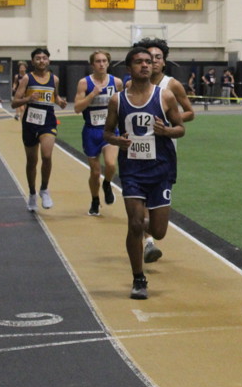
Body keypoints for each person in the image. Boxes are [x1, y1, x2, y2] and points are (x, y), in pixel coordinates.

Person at [103, 47, 185, 300]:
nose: (145, 65)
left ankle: (146, 228)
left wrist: (167, 132)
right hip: (133, 171)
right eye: (139, 62)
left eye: (148, 61)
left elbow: (181, 128)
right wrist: (117, 141)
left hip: (161, 170)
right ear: (129, 68)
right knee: (135, 223)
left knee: (158, 231)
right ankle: (138, 278)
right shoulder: (117, 100)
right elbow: (107, 132)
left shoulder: (165, 96)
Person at [131, 37, 196, 263]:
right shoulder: (131, 85)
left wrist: (169, 122)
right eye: (150, 57)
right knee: (140, 197)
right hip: (138, 149)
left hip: (164, 149)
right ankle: (148, 242)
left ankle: (143, 229)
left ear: (164, 62)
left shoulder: (172, 85)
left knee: (155, 206)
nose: (154, 61)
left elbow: (190, 112)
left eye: (158, 57)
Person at [11, 47, 68, 212]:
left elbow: (55, 96)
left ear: (48, 60)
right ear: (33, 61)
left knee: (47, 155)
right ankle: (32, 193)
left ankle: (44, 189)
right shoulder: (27, 79)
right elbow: (14, 103)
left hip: (48, 122)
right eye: (38, 58)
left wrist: (60, 102)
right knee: (32, 161)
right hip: (30, 122)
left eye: (44, 58)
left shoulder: (54, 79)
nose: (41, 61)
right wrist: (28, 98)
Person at [73, 50, 123, 216]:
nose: (101, 64)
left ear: (108, 63)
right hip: (91, 131)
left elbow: (122, 105)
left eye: (104, 61)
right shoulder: (84, 83)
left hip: (110, 130)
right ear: (92, 64)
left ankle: (107, 184)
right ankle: (95, 200)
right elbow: (77, 108)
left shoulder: (116, 82)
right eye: (98, 61)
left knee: (110, 164)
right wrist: (92, 94)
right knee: (95, 173)